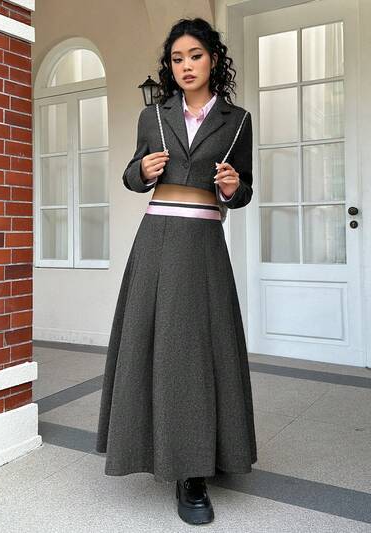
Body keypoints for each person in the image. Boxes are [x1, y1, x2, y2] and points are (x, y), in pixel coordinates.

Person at [96, 17, 258, 526]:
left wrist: (231, 188)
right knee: (156, 345)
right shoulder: (154, 115)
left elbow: (244, 190)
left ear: (214, 59)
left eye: (195, 55)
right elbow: (132, 172)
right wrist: (140, 172)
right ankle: (151, 448)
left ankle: (195, 471)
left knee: (198, 349)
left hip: (204, 243)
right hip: (157, 238)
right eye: (177, 58)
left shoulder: (237, 120)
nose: (186, 66)